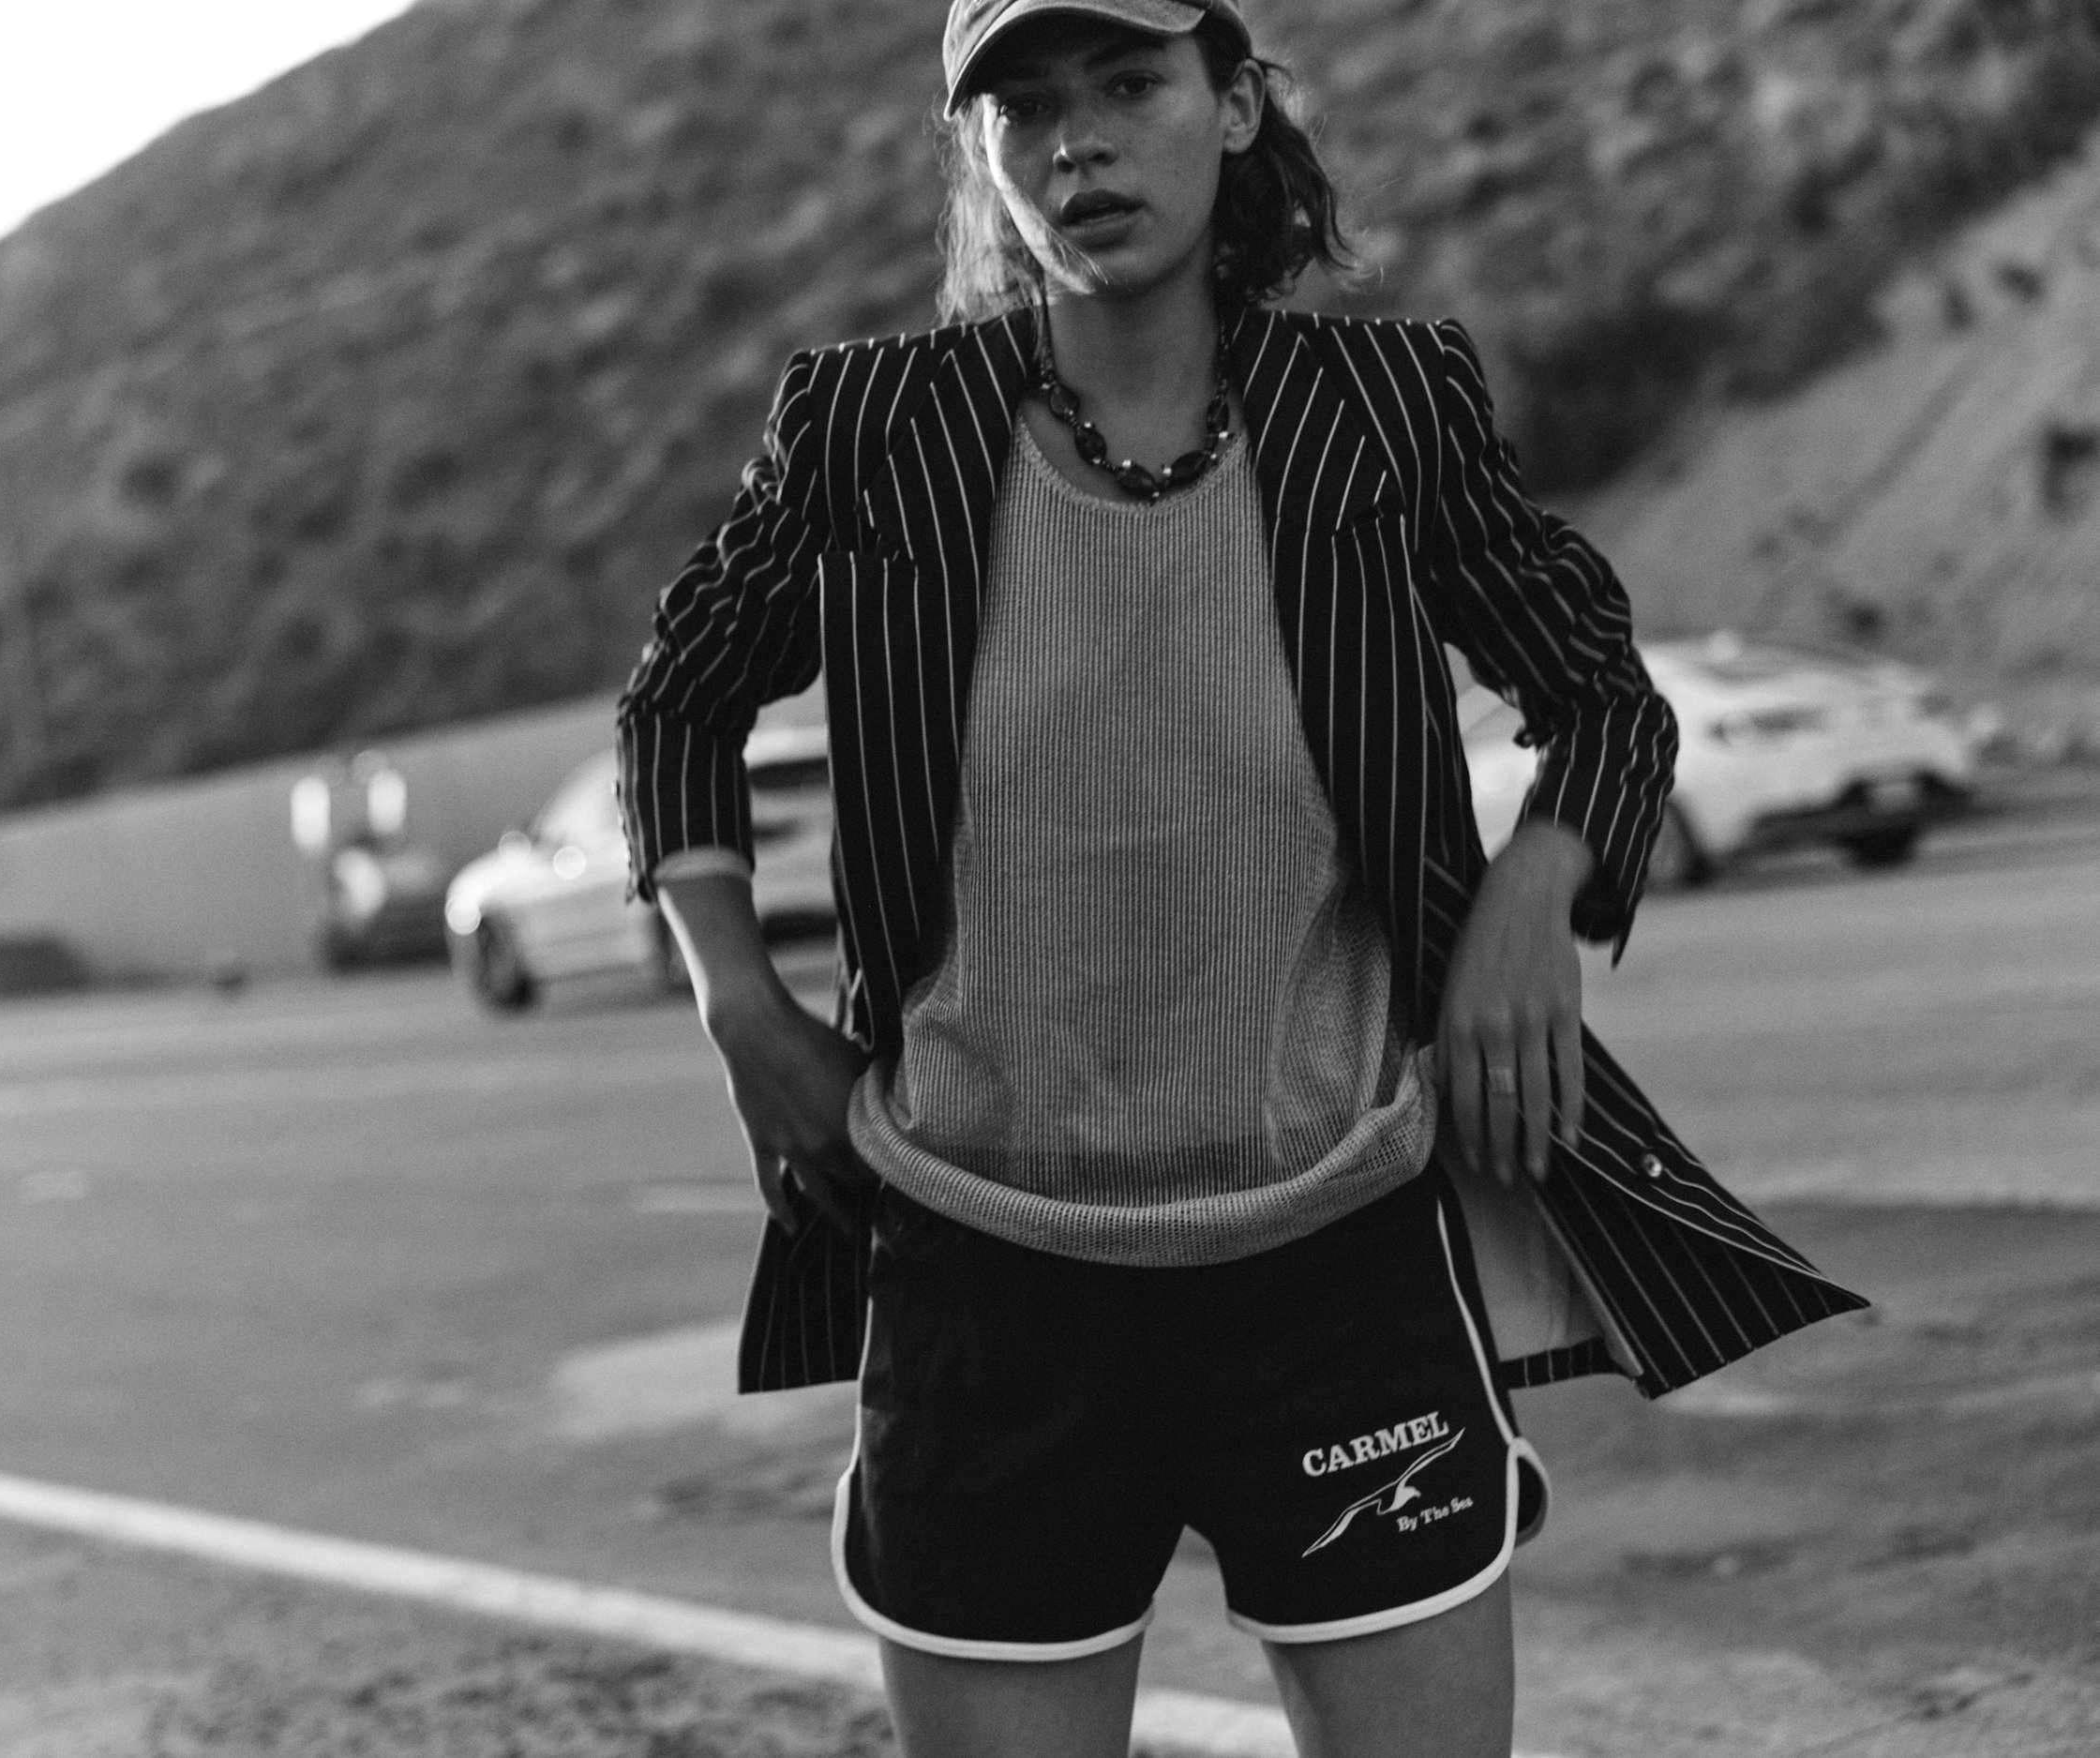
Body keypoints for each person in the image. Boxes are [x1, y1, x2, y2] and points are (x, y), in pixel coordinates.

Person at [616, 4, 1865, 1752]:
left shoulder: (1385, 404)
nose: (1077, 142)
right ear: (980, 153)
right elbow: (679, 696)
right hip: (983, 1276)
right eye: (1023, 107)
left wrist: (1535, 893)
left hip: (1335, 1263)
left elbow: (1600, 692)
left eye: (1129, 84)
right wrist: (739, 1005)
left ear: (1233, 107)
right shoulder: (869, 424)